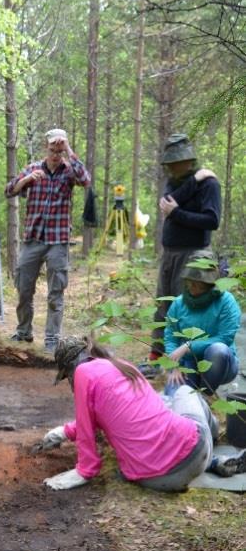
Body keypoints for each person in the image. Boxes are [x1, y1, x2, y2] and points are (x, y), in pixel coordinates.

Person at [42, 336, 216, 492]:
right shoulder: (122, 366)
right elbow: (94, 419)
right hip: (195, 452)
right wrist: (65, 432)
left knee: (180, 393)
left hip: (152, 479)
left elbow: (87, 428)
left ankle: (213, 454)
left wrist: (83, 472)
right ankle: (214, 444)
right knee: (184, 393)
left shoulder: (83, 372)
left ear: (70, 365)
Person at [141, 133, 221, 377]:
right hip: (171, 253)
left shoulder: (210, 185)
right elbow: (168, 203)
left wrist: (177, 213)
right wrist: (193, 182)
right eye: (169, 163)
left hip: (195, 255)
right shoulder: (177, 182)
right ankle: (157, 359)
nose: (172, 167)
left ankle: (184, 364)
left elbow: (212, 220)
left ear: (188, 160)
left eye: (176, 162)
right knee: (163, 306)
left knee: (186, 308)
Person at [5, 128, 90, 354]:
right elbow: (9, 190)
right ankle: (24, 332)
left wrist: (70, 149)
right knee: (23, 287)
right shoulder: (33, 169)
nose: (55, 154)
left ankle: (52, 339)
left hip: (58, 241)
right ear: (46, 148)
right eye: (52, 150)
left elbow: (85, 179)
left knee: (55, 293)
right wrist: (26, 180)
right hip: (33, 239)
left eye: (59, 150)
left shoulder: (69, 171)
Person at [164, 251, 240, 395]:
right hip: (188, 363)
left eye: (198, 284)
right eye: (190, 282)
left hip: (220, 364)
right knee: (173, 396)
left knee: (218, 349)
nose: (192, 287)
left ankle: (206, 394)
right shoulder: (179, 303)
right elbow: (170, 336)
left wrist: (188, 346)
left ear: (210, 283)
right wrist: (174, 366)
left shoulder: (226, 301)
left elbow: (225, 338)